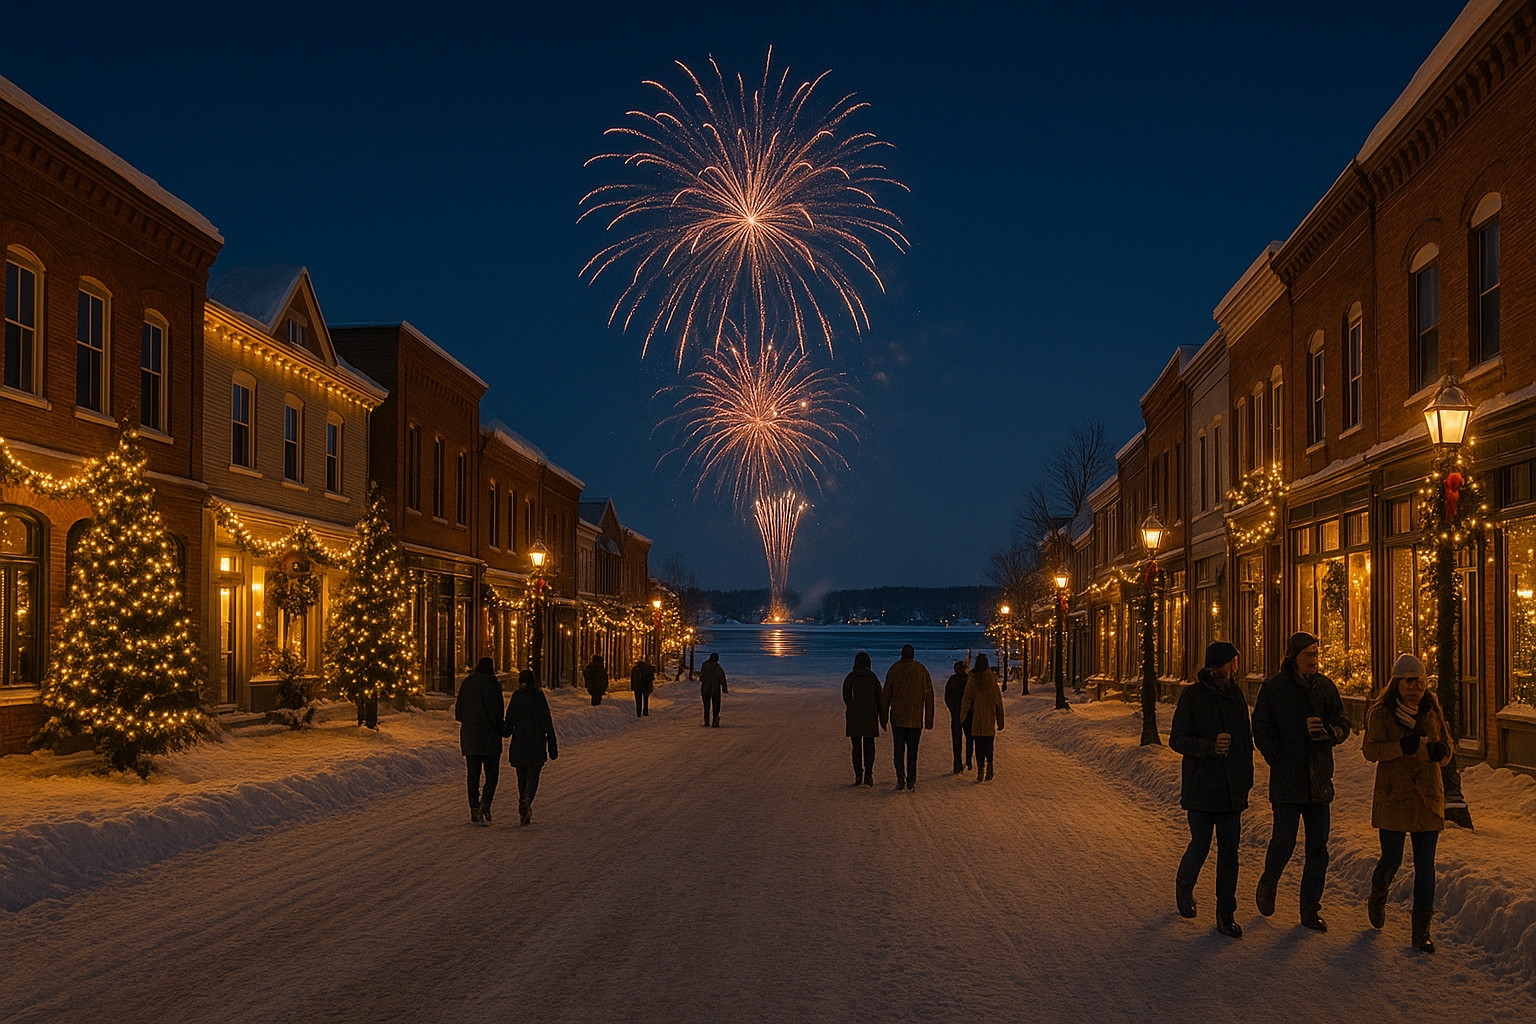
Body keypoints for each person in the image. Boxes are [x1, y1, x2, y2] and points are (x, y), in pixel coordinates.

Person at [1251, 632, 1351, 932]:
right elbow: (1261, 729)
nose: (1314, 660)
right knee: (1283, 842)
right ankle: (1269, 881)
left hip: (1319, 779)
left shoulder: (1325, 688)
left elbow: (1344, 722)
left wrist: (1331, 734)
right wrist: (1278, 755)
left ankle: (1309, 908)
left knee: (1318, 847)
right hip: (1288, 779)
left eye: (1316, 654)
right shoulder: (1275, 689)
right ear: (1293, 657)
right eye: (1308, 654)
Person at [1362, 654, 1455, 953]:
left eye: (1420, 681)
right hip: (1394, 796)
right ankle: (1378, 894)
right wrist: (1401, 747)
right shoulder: (1382, 713)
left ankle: (1421, 932)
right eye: (1409, 681)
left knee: (1425, 866)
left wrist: (1441, 752)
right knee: (1392, 859)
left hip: (1427, 797)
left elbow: (1448, 749)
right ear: (1397, 684)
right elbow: (1370, 750)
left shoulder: (1432, 710)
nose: (1416, 687)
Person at [1169, 641, 1254, 939]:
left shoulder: (1236, 696)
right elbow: (1177, 739)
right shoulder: (1193, 696)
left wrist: (1246, 779)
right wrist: (1208, 747)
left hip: (1231, 790)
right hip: (1201, 787)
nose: (1238, 664)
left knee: (1230, 851)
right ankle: (1185, 885)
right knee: (1201, 843)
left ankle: (1225, 913)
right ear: (1224, 663)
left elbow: (1245, 741)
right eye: (1234, 659)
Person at [454, 657, 506, 826]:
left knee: (473, 775)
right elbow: (496, 712)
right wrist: (501, 728)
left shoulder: (468, 683)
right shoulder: (493, 685)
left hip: (471, 737)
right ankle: (486, 803)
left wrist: (470, 723)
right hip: (490, 737)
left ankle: (474, 807)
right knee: (492, 775)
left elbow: (459, 712)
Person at [504, 668, 559, 826]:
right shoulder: (539, 697)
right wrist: (552, 745)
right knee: (533, 775)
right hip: (536, 743)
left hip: (520, 742)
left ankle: (523, 798)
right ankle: (527, 800)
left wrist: (505, 731)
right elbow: (547, 722)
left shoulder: (517, 696)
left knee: (521, 775)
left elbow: (510, 719)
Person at [883, 644, 935, 791]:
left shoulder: (895, 669)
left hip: (898, 718)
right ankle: (911, 778)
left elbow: (886, 695)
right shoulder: (921, 670)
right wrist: (929, 719)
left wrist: (884, 716)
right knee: (913, 751)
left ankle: (900, 775)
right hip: (915, 718)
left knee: (898, 750)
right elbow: (929, 695)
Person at [843, 651, 888, 786]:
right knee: (869, 747)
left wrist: (852, 705)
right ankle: (868, 774)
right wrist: (883, 718)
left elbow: (846, 695)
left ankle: (858, 774)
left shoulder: (851, 677)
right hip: (870, 716)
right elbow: (880, 699)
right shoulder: (872, 678)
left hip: (855, 717)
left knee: (856, 748)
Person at [959, 654, 1003, 782]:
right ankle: (990, 765)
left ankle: (980, 769)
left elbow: (967, 699)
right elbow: (997, 700)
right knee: (989, 743)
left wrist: (962, 716)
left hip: (977, 716)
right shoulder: (991, 679)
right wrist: (1000, 720)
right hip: (989, 715)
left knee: (978, 744)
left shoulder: (972, 679)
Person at [944, 659, 975, 774]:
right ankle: (968, 761)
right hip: (968, 713)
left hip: (956, 714)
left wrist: (952, 710)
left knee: (957, 740)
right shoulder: (969, 680)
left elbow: (947, 697)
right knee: (970, 738)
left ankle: (957, 764)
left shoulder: (953, 680)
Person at [700, 652, 728, 727]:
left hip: (705, 688)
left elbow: (701, 676)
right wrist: (724, 689)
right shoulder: (718, 668)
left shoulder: (704, 665)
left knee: (706, 706)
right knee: (716, 705)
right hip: (715, 689)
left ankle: (706, 721)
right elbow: (722, 678)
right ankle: (715, 720)